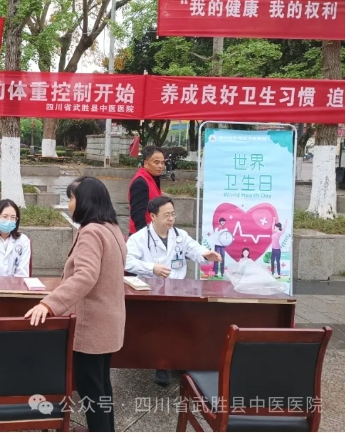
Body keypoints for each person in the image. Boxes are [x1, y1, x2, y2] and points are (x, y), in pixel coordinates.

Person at [25, 176, 125, 432]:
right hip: (109, 323)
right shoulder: (112, 228)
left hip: (92, 326)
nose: (69, 204)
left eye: (72, 198)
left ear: (85, 201)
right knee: (101, 387)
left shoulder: (91, 232)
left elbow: (85, 276)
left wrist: (49, 304)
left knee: (92, 390)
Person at [125, 195, 221, 386]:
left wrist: (205, 254)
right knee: (162, 324)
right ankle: (161, 364)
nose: (171, 219)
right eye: (166, 215)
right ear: (153, 216)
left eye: (173, 214)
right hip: (151, 291)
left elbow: (194, 248)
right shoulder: (139, 238)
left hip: (178, 289)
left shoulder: (180, 235)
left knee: (186, 322)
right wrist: (152, 268)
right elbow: (127, 261)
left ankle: (181, 360)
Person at [128, 146, 164, 235]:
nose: (160, 166)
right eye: (156, 162)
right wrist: (146, 237)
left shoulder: (153, 178)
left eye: (162, 163)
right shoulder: (140, 183)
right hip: (142, 235)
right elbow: (138, 215)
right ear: (146, 163)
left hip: (153, 231)